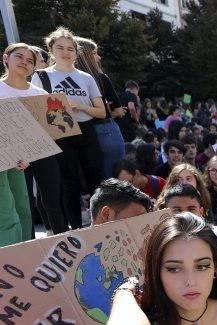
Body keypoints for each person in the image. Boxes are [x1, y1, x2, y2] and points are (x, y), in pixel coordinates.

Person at [69, 179, 152, 325]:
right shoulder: (70, 261)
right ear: (106, 214)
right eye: (135, 220)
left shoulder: (138, 250)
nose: (138, 228)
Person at [32, 28, 107, 229]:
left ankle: (101, 224)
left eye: (70, 48)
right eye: (60, 48)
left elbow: (102, 112)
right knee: (68, 183)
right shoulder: (41, 76)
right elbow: (36, 110)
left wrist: (78, 105)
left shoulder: (86, 77)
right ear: (51, 50)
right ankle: (76, 227)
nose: (66, 52)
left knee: (96, 181)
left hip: (87, 130)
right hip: (60, 133)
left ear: (76, 52)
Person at [1, 42, 69, 237]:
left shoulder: (40, 95)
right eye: (19, 57)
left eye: (30, 60)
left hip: (42, 153)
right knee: (23, 205)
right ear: (6, 59)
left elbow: (52, 129)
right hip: (11, 160)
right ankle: (27, 244)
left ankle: (61, 239)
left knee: (53, 199)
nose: (25, 62)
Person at [75, 37, 125, 183]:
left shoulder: (72, 80)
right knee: (115, 180)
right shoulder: (100, 78)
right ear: (86, 56)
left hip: (82, 132)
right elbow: (119, 111)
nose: (99, 57)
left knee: (94, 182)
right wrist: (108, 110)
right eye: (95, 53)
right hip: (105, 131)